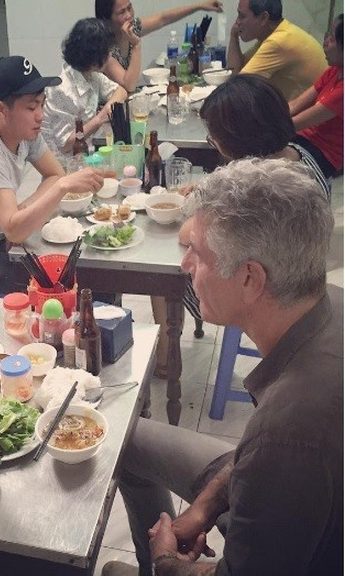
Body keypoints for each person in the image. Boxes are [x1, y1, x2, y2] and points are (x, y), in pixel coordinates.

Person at [104, 157, 342, 576]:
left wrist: (167, 563)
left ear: (250, 278)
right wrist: (206, 505)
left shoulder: (289, 429)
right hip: (284, 477)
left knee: (111, 570)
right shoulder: (331, 302)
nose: (185, 265)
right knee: (129, 438)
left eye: (196, 252)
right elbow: (268, 455)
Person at [0, 56, 104, 293]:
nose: (40, 115)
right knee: (73, 283)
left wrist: (24, 208)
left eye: (41, 104)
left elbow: (53, 174)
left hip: (2, 237)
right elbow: (15, 230)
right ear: (0, 109)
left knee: (90, 268)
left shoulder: (25, 131)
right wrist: (61, 188)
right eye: (30, 107)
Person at [178, 73, 330, 321]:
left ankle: (165, 347)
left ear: (237, 140)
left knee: (182, 268)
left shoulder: (257, 187)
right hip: (302, 274)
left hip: (270, 290)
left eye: (214, 138)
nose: (215, 144)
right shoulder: (297, 152)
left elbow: (189, 233)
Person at [95, 0, 223, 92]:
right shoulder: (103, 46)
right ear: (106, 18)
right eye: (122, 12)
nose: (129, 15)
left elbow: (163, 19)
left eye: (130, 8)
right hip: (109, 111)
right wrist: (136, 45)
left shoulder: (133, 27)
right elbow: (128, 85)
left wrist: (199, 5)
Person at [41, 18, 127, 155]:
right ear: (93, 55)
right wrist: (98, 120)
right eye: (106, 51)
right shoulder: (62, 90)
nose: (110, 55)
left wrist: (107, 109)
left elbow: (121, 91)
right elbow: (65, 144)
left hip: (89, 152)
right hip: (66, 164)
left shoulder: (91, 75)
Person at [227, 0, 327, 101]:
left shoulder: (279, 41)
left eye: (242, 16)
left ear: (263, 18)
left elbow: (238, 88)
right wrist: (233, 36)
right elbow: (236, 71)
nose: (237, 22)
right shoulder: (278, 32)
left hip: (307, 113)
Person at [289, 13, 343, 178]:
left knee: (269, 163)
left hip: (324, 154)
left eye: (332, 39)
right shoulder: (334, 71)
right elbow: (294, 105)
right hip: (302, 138)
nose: (325, 43)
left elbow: (293, 124)